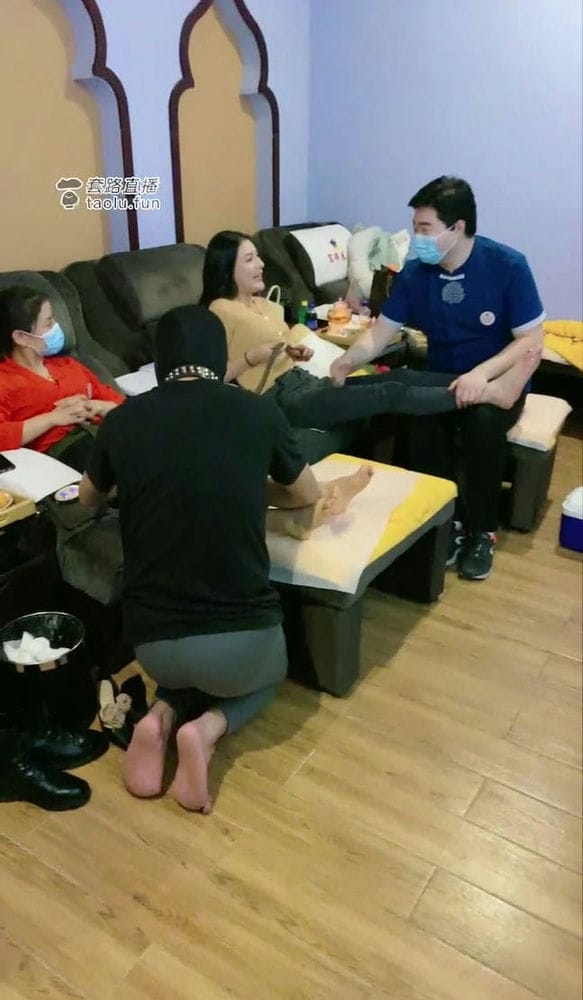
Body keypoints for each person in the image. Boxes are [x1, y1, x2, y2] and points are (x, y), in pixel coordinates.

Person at [79, 306, 372, 814]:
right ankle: (208, 729)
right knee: (265, 677)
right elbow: (306, 494)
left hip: (152, 646)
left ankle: (160, 715)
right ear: (219, 358)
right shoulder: (256, 412)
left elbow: (88, 498)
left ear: (161, 362)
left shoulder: (123, 420)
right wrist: (244, 481)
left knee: (183, 676)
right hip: (240, 645)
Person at [330, 177, 544, 580]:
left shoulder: (507, 266)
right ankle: (449, 521)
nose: (418, 238)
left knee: (482, 425)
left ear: (457, 227)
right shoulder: (416, 273)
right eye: (416, 227)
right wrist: (345, 361)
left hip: (495, 377)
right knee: (423, 424)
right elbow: (381, 332)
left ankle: (482, 531)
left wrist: (482, 374)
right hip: (441, 379)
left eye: (425, 228)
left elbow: (531, 340)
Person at [200, 231, 539, 457]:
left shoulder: (265, 305)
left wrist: (292, 350)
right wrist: (252, 356)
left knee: (401, 376)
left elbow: (278, 348)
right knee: (388, 393)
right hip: (280, 400)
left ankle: (483, 380)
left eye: (258, 257)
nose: (261, 265)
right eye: (249, 259)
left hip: (303, 381)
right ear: (226, 267)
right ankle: (489, 392)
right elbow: (210, 377)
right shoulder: (219, 310)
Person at [0, 287, 124, 470]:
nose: (57, 327)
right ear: (21, 337)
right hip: (62, 455)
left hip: (107, 434)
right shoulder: (5, 381)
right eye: (48, 322)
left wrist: (96, 406)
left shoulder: (69, 365)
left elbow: (123, 406)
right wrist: (53, 418)